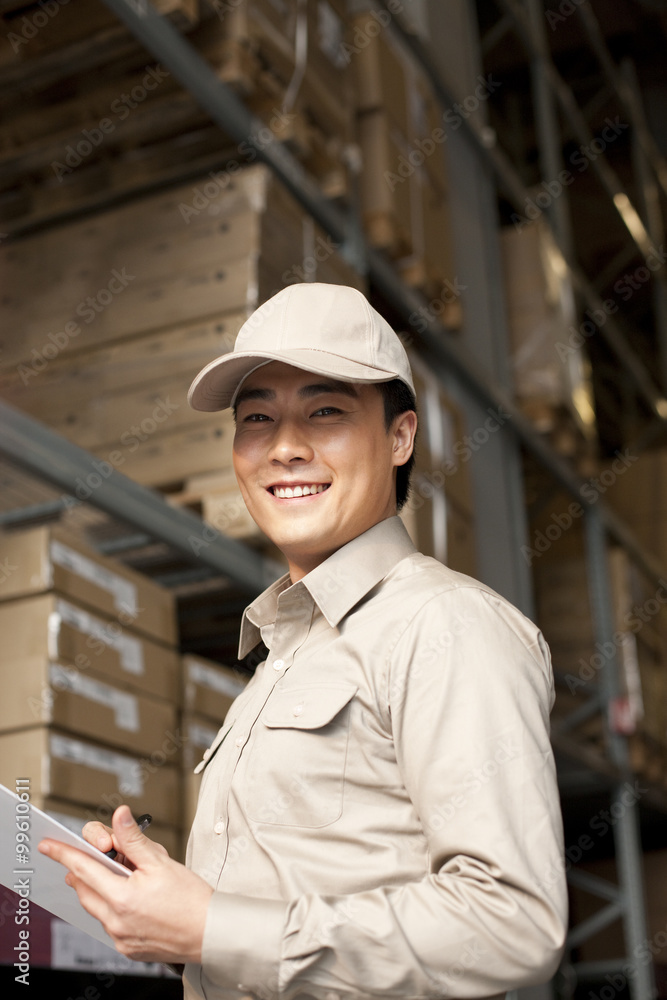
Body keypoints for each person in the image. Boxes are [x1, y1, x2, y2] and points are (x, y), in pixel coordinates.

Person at [40, 282, 567, 1000]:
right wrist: (164, 909)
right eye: (256, 418)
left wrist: (212, 928)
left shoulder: (444, 625)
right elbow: (291, 914)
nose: (284, 447)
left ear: (400, 436)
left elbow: (511, 925)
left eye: (325, 411)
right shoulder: (282, 655)